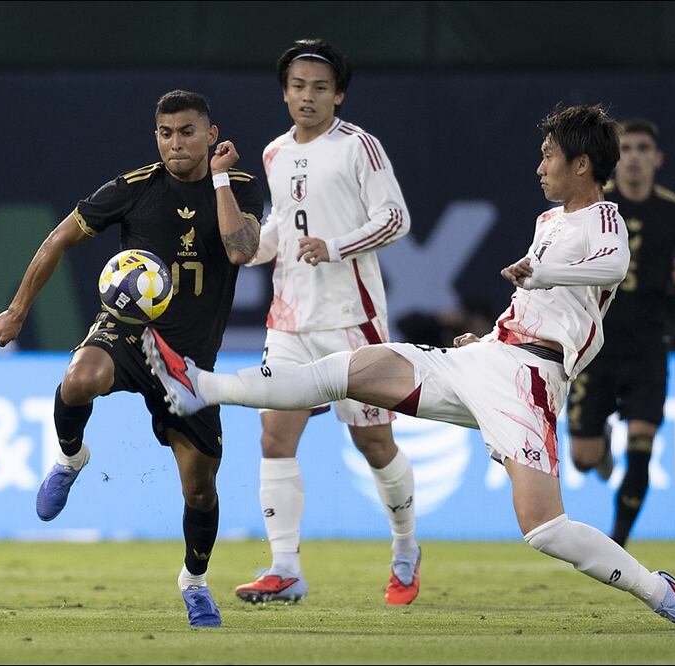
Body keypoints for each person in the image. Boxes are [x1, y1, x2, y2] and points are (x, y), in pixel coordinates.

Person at [144, 104, 675, 630]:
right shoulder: (550, 223)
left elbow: (611, 267)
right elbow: (539, 309)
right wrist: (490, 334)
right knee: (358, 366)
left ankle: (661, 593)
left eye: (549, 155)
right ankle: (203, 386)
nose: (540, 166)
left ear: (583, 164)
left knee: (544, 529)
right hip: (491, 357)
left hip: (529, 382)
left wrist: (543, 276)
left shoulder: (606, 221)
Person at [0, 90, 262, 627]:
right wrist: (18, 308)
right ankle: (71, 458)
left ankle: (195, 580)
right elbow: (58, 239)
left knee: (200, 488)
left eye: (187, 132)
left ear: (211, 134)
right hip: (131, 336)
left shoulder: (243, 186)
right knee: (79, 379)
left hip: (191, 366)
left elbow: (241, 250)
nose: (175, 143)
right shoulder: (133, 188)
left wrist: (222, 180)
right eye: (165, 133)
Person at [235, 38, 419, 605]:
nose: (307, 97)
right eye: (298, 86)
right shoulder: (272, 154)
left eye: (320, 87)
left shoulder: (359, 147)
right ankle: (285, 567)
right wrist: (248, 246)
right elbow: (278, 235)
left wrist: (335, 246)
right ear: (285, 93)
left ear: (338, 94)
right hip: (288, 322)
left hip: (351, 321)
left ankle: (406, 547)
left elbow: (396, 219)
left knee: (374, 441)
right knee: (274, 433)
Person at [567, 119, 675, 546]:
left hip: (650, 343)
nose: (633, 156)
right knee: (584, 458)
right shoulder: (593, 207)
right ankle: (602, 442)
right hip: (596, 343)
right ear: (616, 159)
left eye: (642, 148)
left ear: (657, 158)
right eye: (626, 148)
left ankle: (618, 542)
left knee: (644, 439)